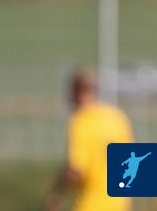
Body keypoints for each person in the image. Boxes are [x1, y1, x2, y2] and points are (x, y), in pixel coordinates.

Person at [45, 69, 133, 211]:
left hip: (90, 205)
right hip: (119, 205)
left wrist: (56, 194)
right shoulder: (118, 118)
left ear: (76, 91)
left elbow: (75, 170)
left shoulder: (81, 122)